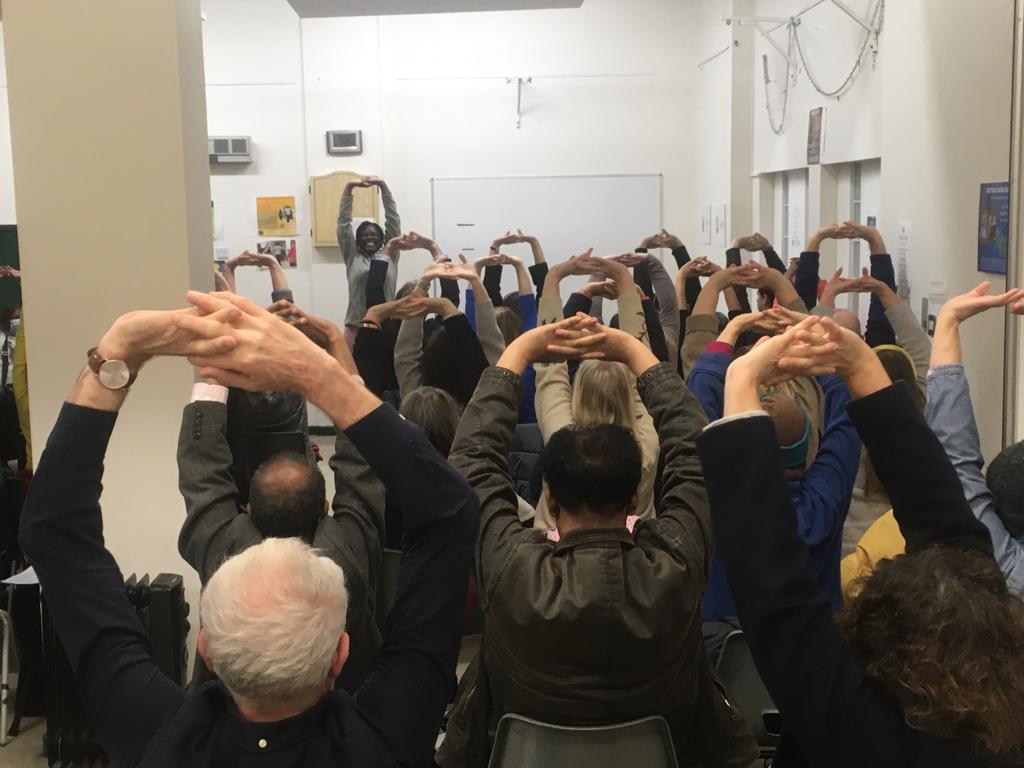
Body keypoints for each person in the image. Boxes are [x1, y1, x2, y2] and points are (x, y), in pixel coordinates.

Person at [18, 291, 478, 767]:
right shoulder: (388, 739)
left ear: (207, 650)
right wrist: (323, 376)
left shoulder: (158, 740)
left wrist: (117, 354)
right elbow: (449, 511)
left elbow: (54, 528)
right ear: (339, 655)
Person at [697, 314, 1024, 766]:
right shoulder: (1008, 700)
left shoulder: (867, 735)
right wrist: (859, 367)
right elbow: (951, 534)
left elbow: (776, 593)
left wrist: (738, 376)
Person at [437, 314, 757, 768]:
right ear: (634, 498)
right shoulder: (677, 564)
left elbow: (473, 460)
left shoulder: (511, 568)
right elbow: (695, 455)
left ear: (549, 496)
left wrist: (520, 351)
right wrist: (633, 351)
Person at [176, 305, 386, 693]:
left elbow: (200, 470)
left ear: (247, 510)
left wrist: (218, 359)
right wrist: (336, 343)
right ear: (325, 510)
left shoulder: (224, 554)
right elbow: (361, 465)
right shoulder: (350, 559)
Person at [532, 253, 660, 530]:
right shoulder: (645, 450)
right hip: (634, 553)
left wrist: (554, 277)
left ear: (578, 389)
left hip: (553, 552)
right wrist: (624, 279)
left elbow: (549, 371)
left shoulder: (561, 441)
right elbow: (643, 368)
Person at [337, 175, 402, 339]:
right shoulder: (353, 257)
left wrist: (383, 185)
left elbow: (393, 220)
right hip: (356, 327)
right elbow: (343, 225)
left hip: (386, 327)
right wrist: (348, 188)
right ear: (358, 241)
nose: (369, 238)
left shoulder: (390, 255)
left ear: (382, 239)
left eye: (373, 235)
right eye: (364, 235)